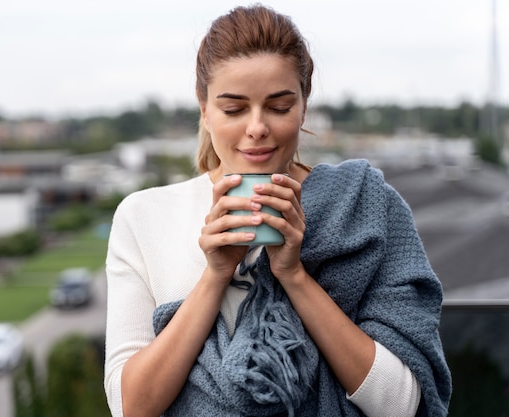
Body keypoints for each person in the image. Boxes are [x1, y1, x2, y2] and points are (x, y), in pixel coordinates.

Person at [104, 5, 451, 417]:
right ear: (204, 108)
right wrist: (215, 275)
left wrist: (294, 276)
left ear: (304, 104)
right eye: (233, 109)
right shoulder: (144, 217)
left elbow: (402, 404)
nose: (256, 128)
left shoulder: (365, 207)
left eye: (279, 106)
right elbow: (131, 408)